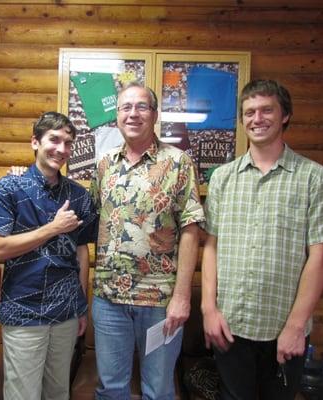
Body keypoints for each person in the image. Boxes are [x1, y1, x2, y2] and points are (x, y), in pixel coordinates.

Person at [201, 79, 323, 400]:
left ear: (285, 116)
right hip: (231, 326)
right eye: (249, 112)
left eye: (267, 110)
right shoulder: (223, 178)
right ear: (241, 120)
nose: (257, 118)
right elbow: (211, 246)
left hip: (283, 329)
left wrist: (296, 327)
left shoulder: (313, 177)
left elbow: (321, 257)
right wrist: (209, 309)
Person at [90, 82, 204, 399]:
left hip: (160, 301)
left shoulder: (179, 162)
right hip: (109, 299)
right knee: (110, 388)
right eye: (126, 107)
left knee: (159, 389)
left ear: (154, 114)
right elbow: (93, 216)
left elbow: (191, 228)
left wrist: (183, 296)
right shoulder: (103, 165)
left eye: (141, 106)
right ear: (117, 116)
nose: (133, 113)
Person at [0, 111, 97, 400]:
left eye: (68, 143)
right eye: (54, 140)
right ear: (35, 142)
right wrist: (52, 228)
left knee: (58, 392)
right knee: (23, 395)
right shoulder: (9, 187)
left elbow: (81, 251)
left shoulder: (78, 196)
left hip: (65, 312)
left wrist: (81, 305)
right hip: (24, 309)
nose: (61, 149)